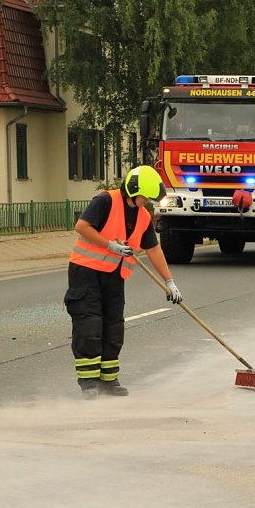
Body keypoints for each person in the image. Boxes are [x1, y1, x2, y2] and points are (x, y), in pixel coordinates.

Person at [64, 165, 183, 400]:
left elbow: (154, 249)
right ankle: (88, 381)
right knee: (90, 323)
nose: (146, 202)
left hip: (115, 276)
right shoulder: (105, 201)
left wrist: (170, 282)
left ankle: (109, 380)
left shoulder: (143, 216)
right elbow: (81, 227)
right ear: (132, 189)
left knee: (114, 327)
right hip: (86, 272)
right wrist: (109, 245)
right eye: (144, 197)